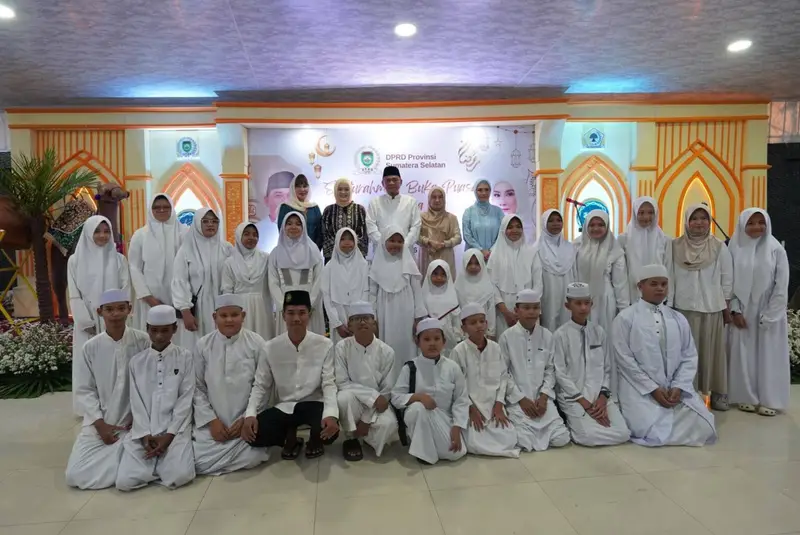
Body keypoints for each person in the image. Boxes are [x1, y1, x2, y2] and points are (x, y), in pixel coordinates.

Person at [613, 265, 717, 446]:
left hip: (673, 391)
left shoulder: (678, 318)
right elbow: (624, 360)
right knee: (651, 430)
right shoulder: (625, 318)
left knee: (704, 426)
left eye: (664, 284)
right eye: (654, 284)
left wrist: (679, 386)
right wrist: (652, 389)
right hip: (640, 390)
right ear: (640, 287)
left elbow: (689, 356)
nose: (660, 289)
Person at [65, 289, 151, 490]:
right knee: (74, 475)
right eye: (109, 309)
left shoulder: (143, 341)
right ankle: (125, 460)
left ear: (129, 309)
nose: (116, 314)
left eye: (121, 308)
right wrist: (100, 424)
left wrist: (141, 421)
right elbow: (84, 390)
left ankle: (126, 460)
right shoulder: (91, 347)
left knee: (129, 479)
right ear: (100, 312)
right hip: (101, 422)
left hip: (135, 424)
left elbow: (150, 385)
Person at [242, 290, 340, 460]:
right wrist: (250, 414)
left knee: (329, 432)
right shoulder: (270, 347)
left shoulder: (324, 345)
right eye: (291, 313)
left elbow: (329, 383)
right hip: (285, 406)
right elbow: (260, 385)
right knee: (254, 435)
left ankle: (314, 439)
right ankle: (290, 437)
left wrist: (331, 414)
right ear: (283, 316)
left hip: (314, 404)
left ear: (309, 315)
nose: (296, 318)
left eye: (302, 313)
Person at [115, 305, 195, 491]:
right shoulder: (137, 362)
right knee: (125, 482)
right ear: (147, 329)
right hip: (145, 429)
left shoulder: (185, 357)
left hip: (175, 429)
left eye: (165, 330)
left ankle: (160, 464)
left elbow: (185, 399)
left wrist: (169, 435)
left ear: (174, 329)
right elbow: (136, 401)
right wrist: (145, 435)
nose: (159, 336)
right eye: (154, 330)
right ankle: (157, 464)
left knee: (179, 477)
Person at [192, 294, 270, 475]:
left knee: (254, 456)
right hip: (214, 421)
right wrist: (212, 421)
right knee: (196, 460)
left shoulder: (257, 342)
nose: (229, 320)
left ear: (243, 316)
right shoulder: (203, 345)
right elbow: (197, 387)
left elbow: (263, 385)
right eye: (224, 315)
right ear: (215, 317)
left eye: (234, 315)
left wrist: (246, 417)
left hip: (246, 419)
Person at [728, 208, 790, 416]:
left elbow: (781, 284)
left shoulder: (775, 249)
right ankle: (745, 396)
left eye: (760, 222)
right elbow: (729, 281)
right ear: (742, 225)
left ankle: (770, 399)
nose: (756, 227)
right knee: (743, 354)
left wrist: (771, 314)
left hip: (769, 309)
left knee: (768, 355)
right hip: (743, 310)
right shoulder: (735, 247)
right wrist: (735, 311)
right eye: (751, 223)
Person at [671, 204, 733, 411]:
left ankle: (717, 393)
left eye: (703, 218)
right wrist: (669, 305)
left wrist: (726, 306)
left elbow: (727, 278)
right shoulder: (675, 246)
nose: (699, 223)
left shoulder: (719, 246)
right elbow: (669, 275)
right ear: (687, 221)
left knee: (711, 353)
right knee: (685, 354)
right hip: (683, 308)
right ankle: (687, 392)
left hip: (711, 308)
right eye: (694, 218)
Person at [553, 282, 630, 447]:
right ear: (568, 306)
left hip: (598, 396)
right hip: (574, 397)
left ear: (591, 304)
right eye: (578, 303)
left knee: (624, 434)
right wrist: (583, 402)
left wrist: (602, 397)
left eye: (586, 303)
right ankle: (576, 424)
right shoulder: (560, 335)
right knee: (587, 438)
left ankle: (588, 422)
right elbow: (560, 373)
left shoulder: (599, 332)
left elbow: (607, 368)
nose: (583, 307)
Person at [68, 215, 130, 414]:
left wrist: (118, 315)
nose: (102, 235)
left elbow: (125, 289)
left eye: (106, 231)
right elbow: (74, 294)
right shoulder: (75, 261)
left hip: (114, 319)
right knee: (87, 362)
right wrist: (84, 321)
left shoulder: (119, 259)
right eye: (97, 231)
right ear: (88, 233)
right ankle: (88, 407)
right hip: (88, 321)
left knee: (114, 362)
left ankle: (117, 405)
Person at [391, 318, 469, 465]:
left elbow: (461, 399)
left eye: (436, 339)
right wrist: (419, 397)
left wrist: (457, 426)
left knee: (455, 454)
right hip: (419, 416)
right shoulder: (410, 367)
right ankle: (424, 454)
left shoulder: (452, 367)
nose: (432, 343)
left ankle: (426, 448)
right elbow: (396, 397)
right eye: (426, 339)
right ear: (417, 342)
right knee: (417, 409)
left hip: (445, 418)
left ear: (444, 342)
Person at [499, 290, 570, 452]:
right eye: (526, 308)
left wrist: (544, 396)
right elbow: (503, 373)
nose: (532, 312)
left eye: (535, 307)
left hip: (542, 400)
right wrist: (521, 399)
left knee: (561, 438)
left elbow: (551, 369)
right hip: (518, 400)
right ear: (516, 310)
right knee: (524, 441)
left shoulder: (547, 336)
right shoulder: (507, 337)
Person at [451, 303, 521, 458]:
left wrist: (499, 404)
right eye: (473, 323)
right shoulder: (459, 351)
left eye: (482, 321)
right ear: (463, 328)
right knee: (473, 442)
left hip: (493, 405)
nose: (479, 326)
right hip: (471, 406)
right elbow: (457, 386)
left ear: (487, 323)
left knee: (509, 438)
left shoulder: (495, 347)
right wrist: (470, 409)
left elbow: (503, 378)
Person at [334, 302, 398, 461]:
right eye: (357, 318)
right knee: (342, 398)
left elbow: (386, 391)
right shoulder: (342, 347)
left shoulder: (387, 351)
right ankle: (351, 438)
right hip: (354, 400)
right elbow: (342, 382)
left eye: (366, 318)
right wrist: (373, 397)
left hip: (377, 406)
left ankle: (364, 435)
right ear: (350, 325)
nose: (362, 322)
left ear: (374, 323)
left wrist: (366, 419)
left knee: (389, 425)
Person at [574, 209, 629, 391]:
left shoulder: (615, 250)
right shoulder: (576, 246)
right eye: (592, 224)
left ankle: (605, 388)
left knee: (604, 345)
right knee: (580, 344)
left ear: (607, 226)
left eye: (601, 225)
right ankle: (582, 386)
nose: (596, 228)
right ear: (585, 226)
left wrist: (623, 311)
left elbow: (620, 283)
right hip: (580, 301)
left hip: (605, 302)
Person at [172, 207, 233, 350]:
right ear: (197, 224)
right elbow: (179, 281)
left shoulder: (227, 248)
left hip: (223, 305)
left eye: (214, 221)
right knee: (198, 347)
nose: (210, 224)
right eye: (205, 221)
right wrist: (185, 311)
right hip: (198, 308)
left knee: (223, 346)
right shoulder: (186, 250)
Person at [369, 226, 428, 369]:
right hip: (385, 312)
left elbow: (417, 291)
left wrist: (418, 317)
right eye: (392, 240)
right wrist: (373, 318)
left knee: (407, 343)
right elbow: (372, 293)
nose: (396, 244)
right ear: (384, 241)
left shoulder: (409, 263)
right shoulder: (376, 265)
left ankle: (408, 376)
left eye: (399, 241)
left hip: (406, 311)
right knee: (387, 345)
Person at [129, 194, 184, 333]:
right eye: (157, 207)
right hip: (149, 299)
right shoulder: (140, 235)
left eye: (166, 207)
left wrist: (183, 299)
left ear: (172, 208)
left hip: (178, 298)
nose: (161, 210)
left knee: (178, 335)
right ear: (150, 210)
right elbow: (134, 268)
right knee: (152, 335)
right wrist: (149, 299)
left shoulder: (184, 232)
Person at [268, 211, 325, 336]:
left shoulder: (313, 251)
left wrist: (309, 305)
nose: (293, 227)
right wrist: (284, 307)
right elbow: (273, 282)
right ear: (283, 226)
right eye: (289, 223)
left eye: (298, 224)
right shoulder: (275, 254)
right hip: (286, 309)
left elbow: (319, 281)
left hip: (310, 309)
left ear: (304, 227)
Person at [488, 214, 542, 338]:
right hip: (504, 312)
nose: (515, 230)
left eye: (518, 226)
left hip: (530, 309)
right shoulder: (495, 255)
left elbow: (538, 284)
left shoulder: (532, 253)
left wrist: (529, 310)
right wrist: (506, 313)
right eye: (510, 227)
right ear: (503, 229)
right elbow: (492, 286)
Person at [221, 222, 274, 340]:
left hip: (262, 307)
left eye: (255, 235)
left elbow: (273, 282)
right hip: (240, 308)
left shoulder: (266, 258)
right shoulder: (229, 262)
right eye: (246, 234)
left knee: (263, 339)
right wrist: (230, 314)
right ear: (239, 236)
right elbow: (227, 290)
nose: (251, 238)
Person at [322, 227, 370, 346]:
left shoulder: (363, 265)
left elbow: (366, 292)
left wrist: (358, 319)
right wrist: (337, 323)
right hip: (338, 316)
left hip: (359, 318)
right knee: (340, 350)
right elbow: (327, 296)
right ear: (337, 241)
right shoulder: (329, 267)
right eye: (342, 239)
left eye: (350, 239)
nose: (347, 242)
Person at [618, 197, 671, 304]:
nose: (646, 217)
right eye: (641, 213)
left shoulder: (665, 240)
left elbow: (668, 270)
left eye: (650, 212)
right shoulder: (623, 239)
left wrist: (668, 300)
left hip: (659, 297)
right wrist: (623, 303)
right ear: (634, 213)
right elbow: (620, 273)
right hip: (632, 297)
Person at [536, 209, 576, 331]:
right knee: (548, 325)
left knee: (567, 326)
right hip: (547, 294)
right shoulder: (536, 249)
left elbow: (575, 274)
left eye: (559, 220)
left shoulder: (571, 248)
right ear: (544, 223)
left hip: (567, 294)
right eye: (551, 220)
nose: (555, 224)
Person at [366, 165, 421, 252]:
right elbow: (371, 227)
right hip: (381, 251)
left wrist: (404, 244)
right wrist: (384, 243)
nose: (391, 183)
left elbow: (416, 226)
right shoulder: (374, 203)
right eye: (388, 180)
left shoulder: (411, 202)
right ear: (382, 183)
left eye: (395, 180)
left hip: (405, 250)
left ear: (401, 182)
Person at [421, 260, 464, 355]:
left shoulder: (452, 296)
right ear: (429, 274)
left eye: (443, 274)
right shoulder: (423, 297)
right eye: (435, 274)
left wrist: (458, 336)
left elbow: (456, 320)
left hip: (449, 339)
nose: (439, 278)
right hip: (428, 338)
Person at [321, 178, 368, 262]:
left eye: (346, 189)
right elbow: (325, 235)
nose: (343, 192)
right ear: (335, 191)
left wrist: (350, 248)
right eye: (340, 189)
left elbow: (364, 235)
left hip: (356, 258)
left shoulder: (360, 210)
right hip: (333, 258)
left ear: (351, 191)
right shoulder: (328, 210)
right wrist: (340, 249)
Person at [418, 186, 462, 277]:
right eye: (434, 197)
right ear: (429, 199)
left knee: (446, 281)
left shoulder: (451, 218)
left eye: (440, 197)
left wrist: (445, 244)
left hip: (445, 256)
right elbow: (416, 236)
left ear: (444, 199)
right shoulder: (421, 217)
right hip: (427, 256)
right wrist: (428, 242)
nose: (437, 200)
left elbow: (458, 238)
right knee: (426, 282)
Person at [455, 249, 497, 339]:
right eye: (469, 263)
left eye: (477, 263)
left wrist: (491, 331)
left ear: (482, 264)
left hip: (484, 333)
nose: (473, 266)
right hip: (464, 334)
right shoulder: (458, 286)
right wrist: (460, 333)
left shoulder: (487, 286)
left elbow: (491, 310)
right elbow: (457, 312)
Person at [462, 179, 504, 262]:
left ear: (490, 191)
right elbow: (467, 235)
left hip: (494, 255)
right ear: (475, 191)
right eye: (480, 190)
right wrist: (480, 250)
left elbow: (502, 234)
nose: (484, 193)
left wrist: (491, 251)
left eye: (486, 190)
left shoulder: (498, 212)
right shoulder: (468, 212)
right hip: (473, 258)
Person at [277, 174, 323, 249]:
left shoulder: (314, 208)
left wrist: (315, 250)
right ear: (292, 188)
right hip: (291, 251)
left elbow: (320, 233)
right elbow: (282, 232)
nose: (302, 189)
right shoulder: (285, 207)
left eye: (305, 186)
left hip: (312, 251)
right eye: (298, 186)